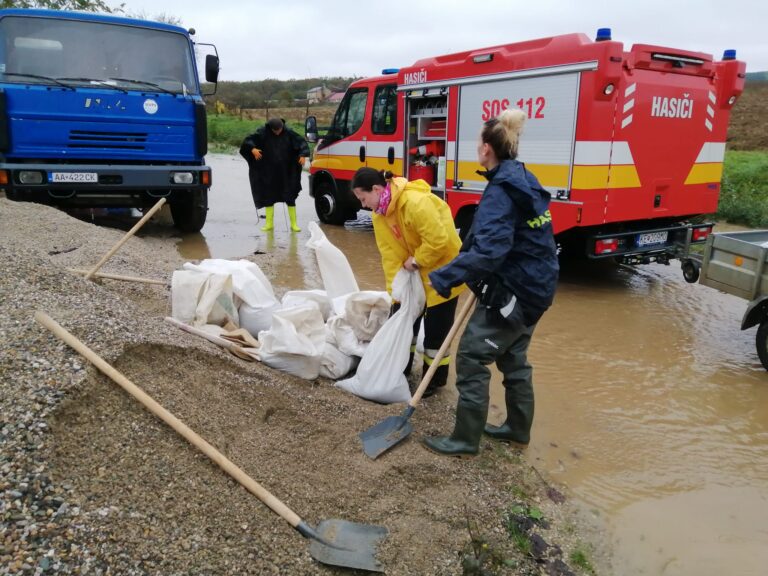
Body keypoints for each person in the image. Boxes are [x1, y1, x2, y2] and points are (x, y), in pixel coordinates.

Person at [423, 109, 559, 456]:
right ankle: (517, 428)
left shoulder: (502, 191)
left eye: (477, 142)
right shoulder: (522, 178)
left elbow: (489, 252)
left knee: (471, 356)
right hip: (539, 287)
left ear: (486, 149)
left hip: (517, 291)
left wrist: (444, 277)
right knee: (514, 359)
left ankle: (464, 439)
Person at [350, 168, 464, 396]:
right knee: (403, 324)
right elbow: (390, 255)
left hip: (442, 274)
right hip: (412, 277)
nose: (363, 205)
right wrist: (396, 293)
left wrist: (418, 260)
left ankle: (433, 381)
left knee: (436, 334)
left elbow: (439, 240)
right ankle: (400, 370)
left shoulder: (415, 202)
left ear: (376, 189)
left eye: (363, 198)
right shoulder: (380, 215)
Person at [239, 118, 309, 232]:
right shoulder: (263, 132)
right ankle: (269, 224)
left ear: (282, 126)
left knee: (290, 196)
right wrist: (252, 149)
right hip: (268, 172)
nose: (278, 132)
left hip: (286, 172)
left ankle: (294, 224)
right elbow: (248, 140)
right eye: (275, 131)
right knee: (269, 197)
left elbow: (301, 142)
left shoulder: (289, 132)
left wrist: (303, 154)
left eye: (280, 130)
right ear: (270, 129)